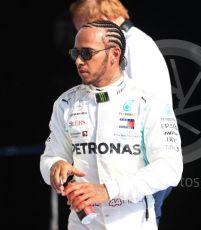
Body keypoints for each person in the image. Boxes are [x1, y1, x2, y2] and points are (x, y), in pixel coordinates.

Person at [40, 19, 183, 229]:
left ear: (114, 54)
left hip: (132, 222)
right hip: (83, 224)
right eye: (75, 53)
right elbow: (49, 157)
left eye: (87, 53)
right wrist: (54, 166)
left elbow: (170, 168)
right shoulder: (65, 103)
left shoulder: (148, 103)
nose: (78, 61)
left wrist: (108, 190)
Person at [69, 0, 175, 224]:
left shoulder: (137, 47)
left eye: (84, 29)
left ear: (102, 20)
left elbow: (141, 110)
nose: (82, 41)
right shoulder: (132, 44)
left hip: (140, 169)